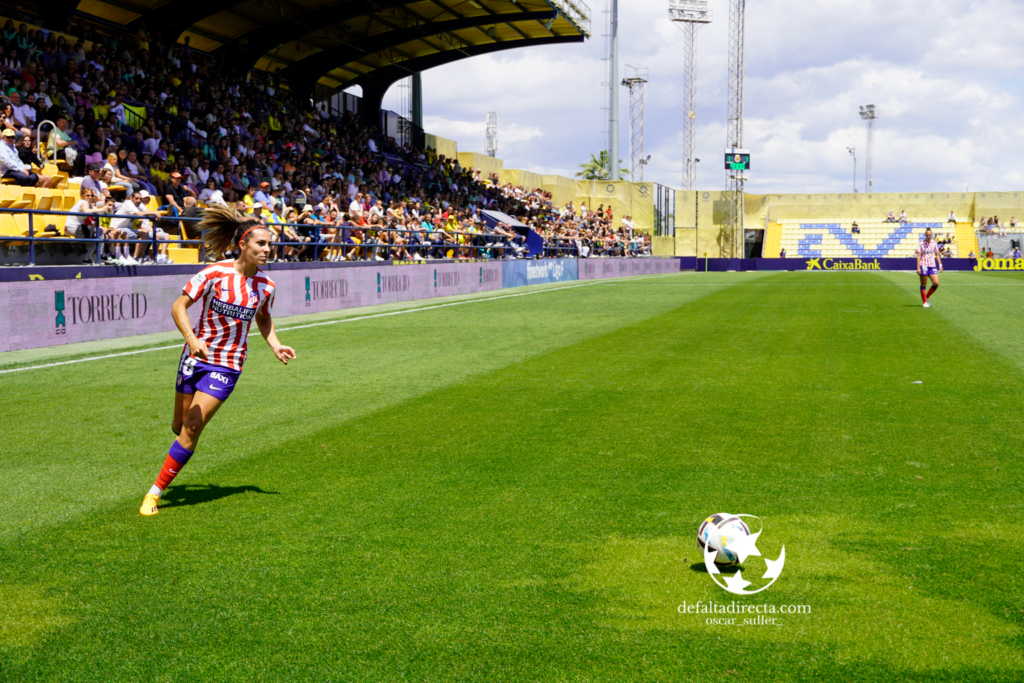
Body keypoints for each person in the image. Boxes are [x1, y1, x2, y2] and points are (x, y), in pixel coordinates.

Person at [139, 205, 296, 516]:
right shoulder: (213, 273)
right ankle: (179, 447)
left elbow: (263, 319)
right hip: (193, 358)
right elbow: (178, 307)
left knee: (193, 427)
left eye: (269, 245)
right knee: (179, 425)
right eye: (261, 244)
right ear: (243, 245)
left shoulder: (267, 286)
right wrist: (192, 340)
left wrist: (276, 345)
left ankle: (154, 493)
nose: (267, 250)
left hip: (228, 364)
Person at [916, 227, 943, 308]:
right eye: (927, 235)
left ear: (932, 235)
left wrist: (940, 264)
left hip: (932, 265)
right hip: (923, 264)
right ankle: (924, 302)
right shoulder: (921, 243)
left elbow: (936, 254)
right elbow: (918, 256)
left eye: (930, 235)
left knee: (936, 283)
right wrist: (918, 268)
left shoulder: (934, 243)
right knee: (924, 284)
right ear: (925, 235)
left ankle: (927, 297)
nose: (928, 236)